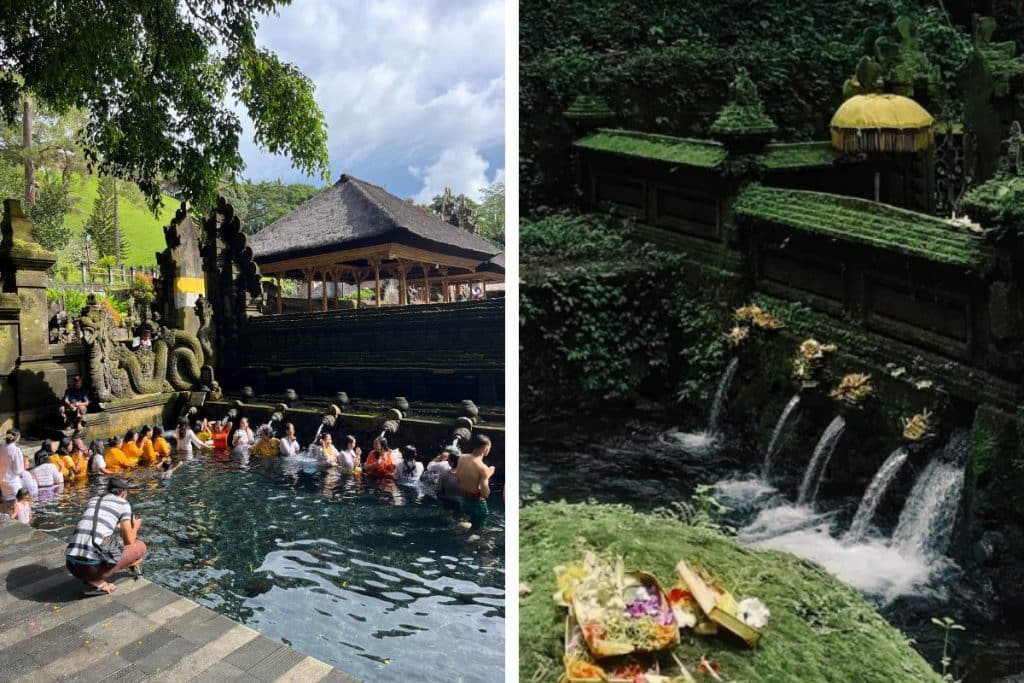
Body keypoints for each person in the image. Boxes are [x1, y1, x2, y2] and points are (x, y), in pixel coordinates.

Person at [64, 478, 147, 596]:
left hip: (71, 565)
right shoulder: (123, 504)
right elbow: (129, 541)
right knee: (139, 546)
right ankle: (96, 581)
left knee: (111, 542)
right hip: (91, 569)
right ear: (124, 493)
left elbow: (95, 524)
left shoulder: (93, 500)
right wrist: (136, 526)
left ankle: (92, 578)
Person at [455, 434, 494, 530]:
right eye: (489, 447)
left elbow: (458, 478)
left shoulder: (461, 458)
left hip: (464, 500)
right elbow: (485, 494)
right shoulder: (482, 468)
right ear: (485, 448)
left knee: (466, 525)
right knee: (478, 530)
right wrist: (488, 474)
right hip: (477, 503)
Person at [1, 429, 27, 512]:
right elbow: (18, 470)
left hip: (2, 480)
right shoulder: (16, 450)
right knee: (16, 507)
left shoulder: (1, 448)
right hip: (13, 481)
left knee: (7, 504)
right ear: (17, 437)